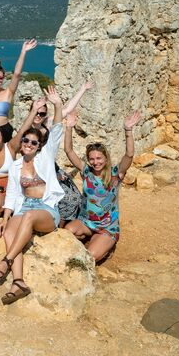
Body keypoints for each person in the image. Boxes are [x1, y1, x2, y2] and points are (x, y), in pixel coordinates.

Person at [0, 86, 64, 305]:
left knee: (29, 218)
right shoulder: (16, 165)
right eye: (25, 141)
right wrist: (4, 219)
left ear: (39, 146)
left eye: (33, 142)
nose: (28, 144)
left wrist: (58, 104)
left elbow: (57, 130)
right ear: (21, 144)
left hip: (46, 209)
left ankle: (6, 261)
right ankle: (18, 282)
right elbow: (12, 193)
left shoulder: (45, 158)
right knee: (10, 234)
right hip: (24, 207)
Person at [63, 110, 141, 263]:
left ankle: (104, 245)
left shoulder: (115, 174)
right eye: (91, 158)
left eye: (99, 158)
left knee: (89, 257)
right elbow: (69, 150)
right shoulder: (86, 171)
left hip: (107, 227)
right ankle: (91, 238)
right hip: (86, 222)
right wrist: (69, 128)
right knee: (68, 232)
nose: (95, 162)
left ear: (106, 158)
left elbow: (129, 155)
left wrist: (128, 130)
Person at [27, 81, 93, 226]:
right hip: (36, 168)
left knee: (75, 196)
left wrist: (82, 88)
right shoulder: (26, 127)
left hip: (52, 166)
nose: (38, 115)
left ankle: (67, 225)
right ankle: (58, 226)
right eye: (36, 111)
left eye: (42, 113)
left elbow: (68, 108)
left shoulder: (48, 124)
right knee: (64, 198)